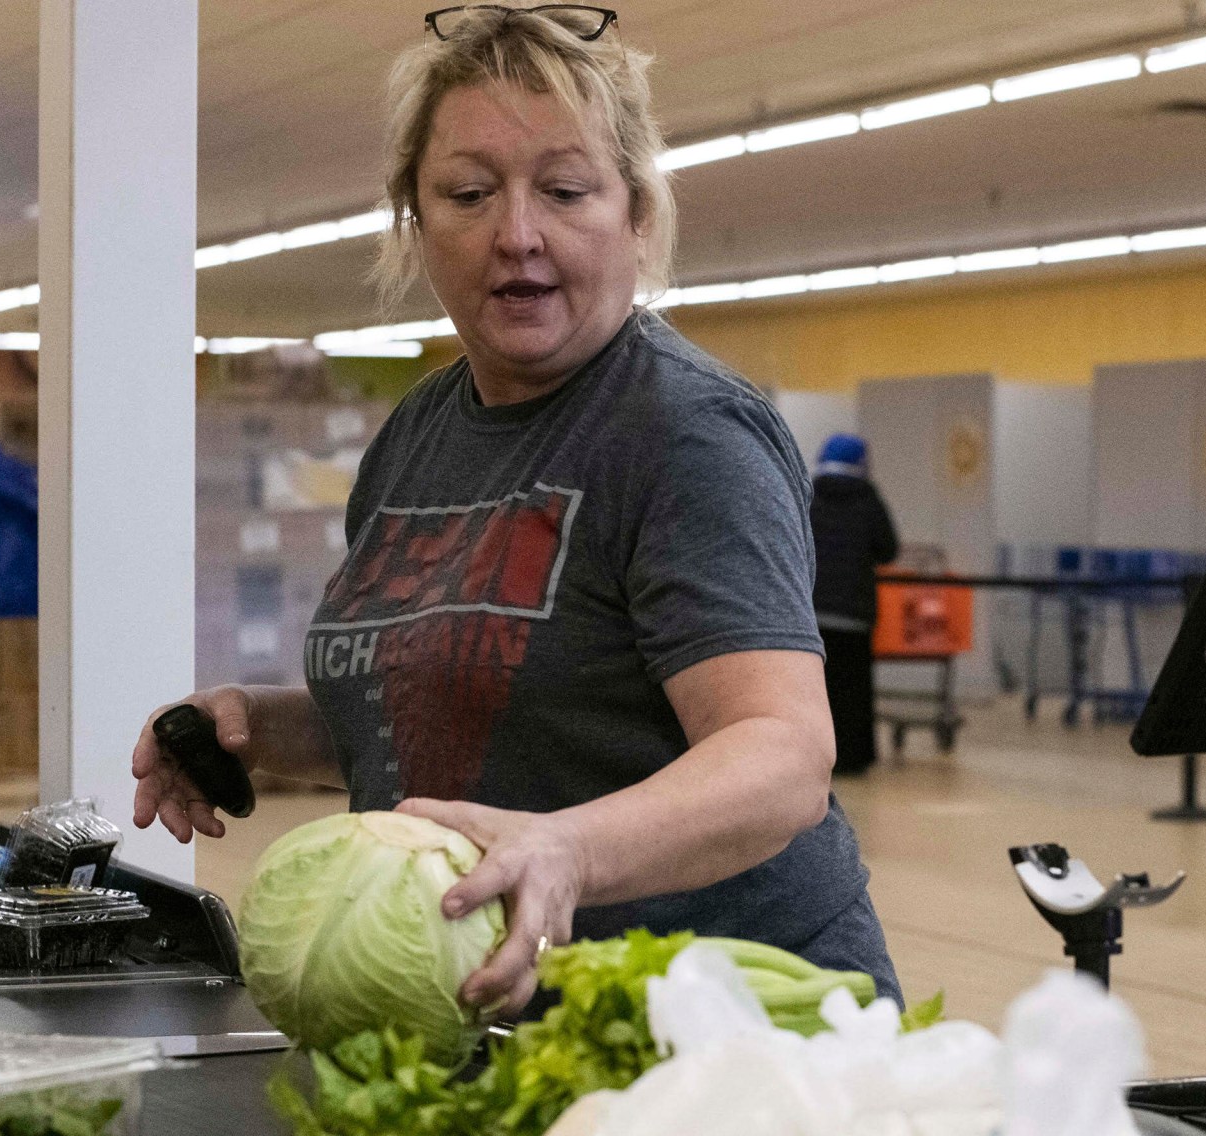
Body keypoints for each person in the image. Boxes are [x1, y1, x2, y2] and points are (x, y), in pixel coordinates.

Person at [132, 6, 895, 1014]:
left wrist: (569, 849)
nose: (517, 234)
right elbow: (463, 709)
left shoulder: (682, 430)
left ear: (635, 212)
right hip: (508, 1019)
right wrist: (258, 728)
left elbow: (781, 759)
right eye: (468, 193)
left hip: (727, 1027)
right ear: (414, 217)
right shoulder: (418, 435)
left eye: (566, 190)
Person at [806, 434, 898, 776]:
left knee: (818, 687)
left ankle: (818, 755)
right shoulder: (868, 498)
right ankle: (854, 758)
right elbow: (888, 549)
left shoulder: (809, 495)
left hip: (813, 612)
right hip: (855, 612)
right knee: (855, 689)